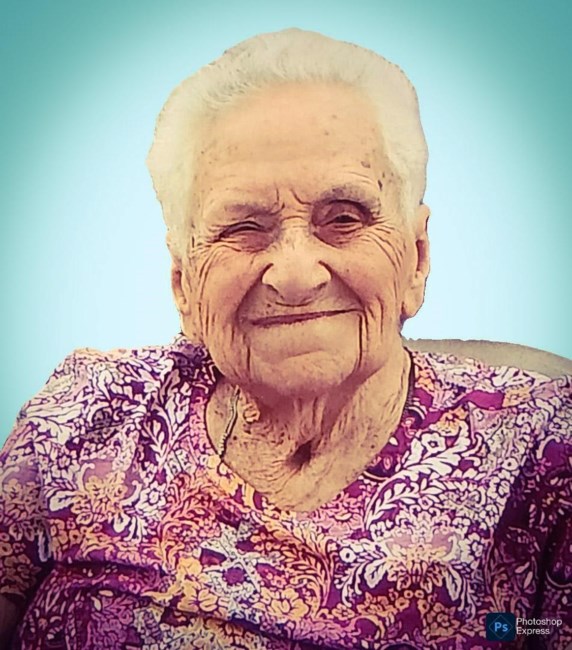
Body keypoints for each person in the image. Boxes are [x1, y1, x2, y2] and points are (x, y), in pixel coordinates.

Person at [0, 28, 570, 650]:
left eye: (344, 218)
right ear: (183, 284)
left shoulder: (541, 449)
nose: (296, 276)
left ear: (417, 258)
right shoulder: (90, 408)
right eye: (243, 227)